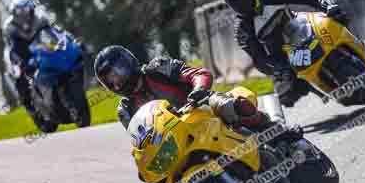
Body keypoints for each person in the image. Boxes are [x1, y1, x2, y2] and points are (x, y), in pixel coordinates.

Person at [93, 45, 302, 140]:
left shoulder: (157, 68)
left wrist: (199, 90)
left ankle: (279, 132)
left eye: (117, 73)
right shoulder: (126, 109)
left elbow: (196, 73)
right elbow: (139, 139)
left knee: (230, 105)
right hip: (177, 136)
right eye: (110, 80)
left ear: (128, 62)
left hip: (200, 106)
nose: (117, 81)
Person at [221, 0, 350, 108]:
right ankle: (307, 85)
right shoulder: (242, 30)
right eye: (234, 2)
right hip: (284, 57)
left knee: (336, 17)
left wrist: (328, 6)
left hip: (305, 29)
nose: (240, 4)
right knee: (286, 96)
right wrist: (277, 68)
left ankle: (355, 42)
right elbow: (258, 58)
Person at [4, 0, 81, 131]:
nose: (24, 15)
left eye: (26, 10)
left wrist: (63, 41)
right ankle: (29, 104)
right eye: (20, 12)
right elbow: (14, 48)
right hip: (20, 55)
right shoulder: (10, 27)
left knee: (64, 53)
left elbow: (54, 32)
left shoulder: (40, 19)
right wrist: (21, 62)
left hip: (41, 49)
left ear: (31, 9)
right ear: (14, 13)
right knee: (18, 73)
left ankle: (66, 89)